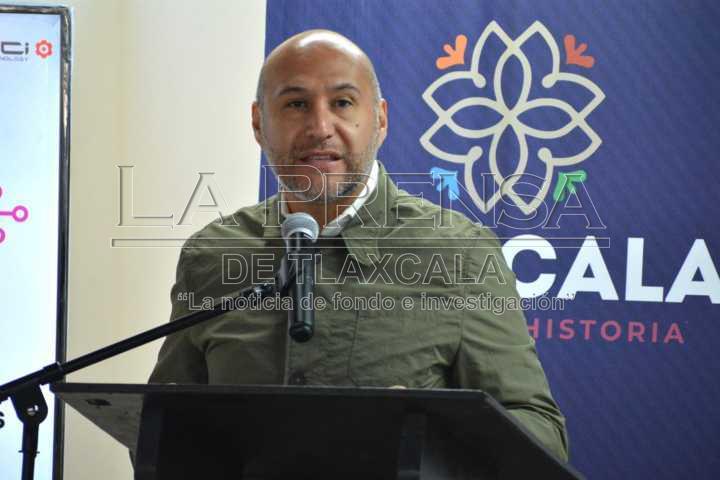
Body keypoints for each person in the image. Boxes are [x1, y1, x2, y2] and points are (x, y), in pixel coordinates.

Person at [149, 29, 569, 461]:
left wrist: (422, 431)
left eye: (343, 103)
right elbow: (159, 430)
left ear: (380, 120)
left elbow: (542, 435)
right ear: (259, 123)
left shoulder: (461, 252)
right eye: (296, 104)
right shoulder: (211, 255)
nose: (320, 128)